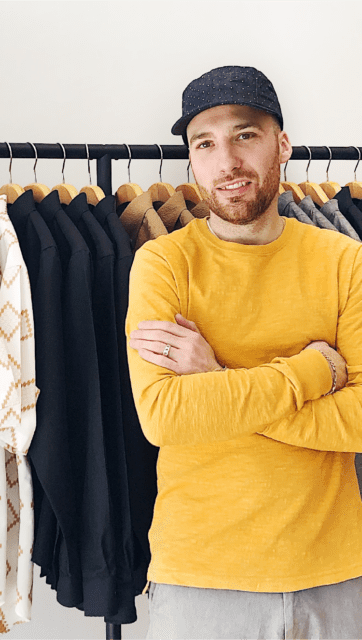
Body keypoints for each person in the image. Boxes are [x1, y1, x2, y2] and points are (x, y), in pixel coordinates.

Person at [126, 65, 362, 640]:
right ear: (191, 161)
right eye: (204, 144)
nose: (225, 161)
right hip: (201, 577)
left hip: (333, 574)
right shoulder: (163, 263)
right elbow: (166, 416)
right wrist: (312, 370)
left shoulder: (344, 261)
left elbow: (357, 421)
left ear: (282, 144)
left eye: (245, 135)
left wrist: (216, 377)